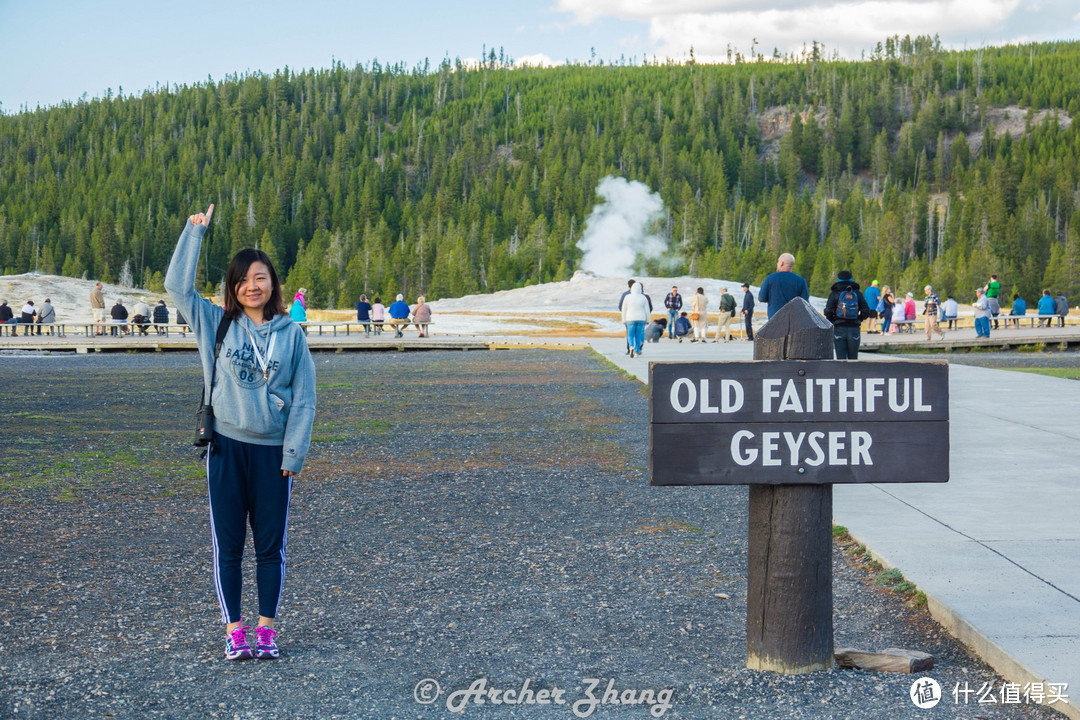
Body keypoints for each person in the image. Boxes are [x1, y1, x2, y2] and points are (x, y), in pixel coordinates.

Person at [165, 204, 316, 663]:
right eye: (243, 280)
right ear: (233, 287)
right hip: (226, 449)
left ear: (273, 283)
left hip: (273, 455)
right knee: (228, 546)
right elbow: (176, 287)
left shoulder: (291, 334)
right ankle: (234, 631)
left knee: (271, 547)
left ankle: (266, 630)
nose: (252, 286)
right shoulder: (215, 321)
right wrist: (194, 235)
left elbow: (306, 398)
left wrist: (294, 454)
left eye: (260, 277)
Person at [824, 270, 870, 359]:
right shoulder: (857, 293)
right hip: (854, 328)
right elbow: (866, 311)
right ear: (851, 278)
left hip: (839, 327)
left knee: (841, 359)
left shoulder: (834, 293)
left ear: (838, 279)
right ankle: (853, 373)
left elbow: (828, 311)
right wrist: (858, 319)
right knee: (853, 359)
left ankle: (841, 373)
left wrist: (833, 320)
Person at [758, 252, 810, 319]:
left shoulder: (770, 278)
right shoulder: (801, 280)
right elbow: (805, 303)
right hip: (794, 322)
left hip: (774, 321)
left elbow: (761, 298)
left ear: (781, 263)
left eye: (778, 262)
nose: (777, 264)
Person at [622, 282, 650, 358]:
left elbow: (624, 309)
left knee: (630, 335)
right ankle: (636, 352)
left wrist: (623, 319)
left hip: (630, 318)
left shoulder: (627, 297)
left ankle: (631, 346)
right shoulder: (643, 297)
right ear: (640, 289)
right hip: (641, 318)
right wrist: (648, 320)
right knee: (638, 335)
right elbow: (647, 310)